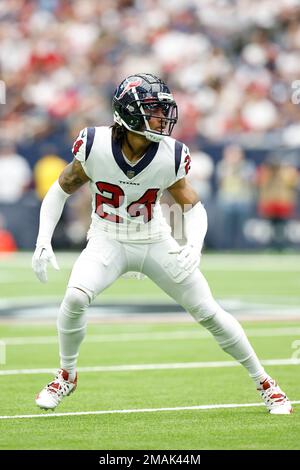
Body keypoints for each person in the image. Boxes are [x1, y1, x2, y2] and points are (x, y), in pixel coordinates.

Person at [32, 73, 292, 414]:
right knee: (75, 296)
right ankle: (66, 375)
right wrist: (42, 239)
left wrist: (194, 246)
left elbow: (193, 206)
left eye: (162, 110)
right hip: (106, 238)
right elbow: (61, 188)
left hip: (153, 239)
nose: (161, 118)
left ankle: (267, 384)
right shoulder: (94, 144)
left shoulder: (170, 154)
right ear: (128, 113)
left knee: (208, 311)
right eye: (153, 110)